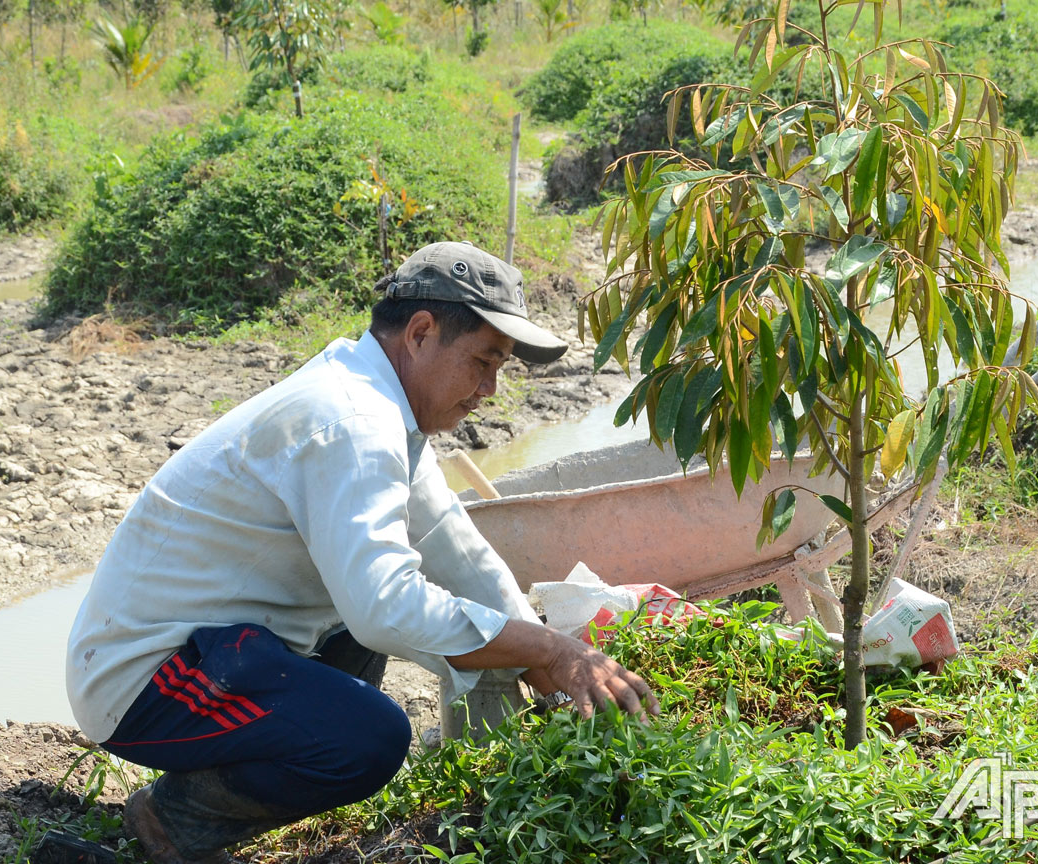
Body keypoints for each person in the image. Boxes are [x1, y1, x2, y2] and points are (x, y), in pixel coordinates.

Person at [64, 241, 658, 864]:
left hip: (228, 646)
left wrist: (537, 653)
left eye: (500, 368)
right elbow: (383, 606)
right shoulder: (353, 420)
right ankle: (176, 820)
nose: (488, 388)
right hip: (144, 679)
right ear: (422, 333)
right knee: (369, 738)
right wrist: (547, 648)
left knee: (383, 624)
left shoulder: (384, 406)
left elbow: (450, 544)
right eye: (483, 361)